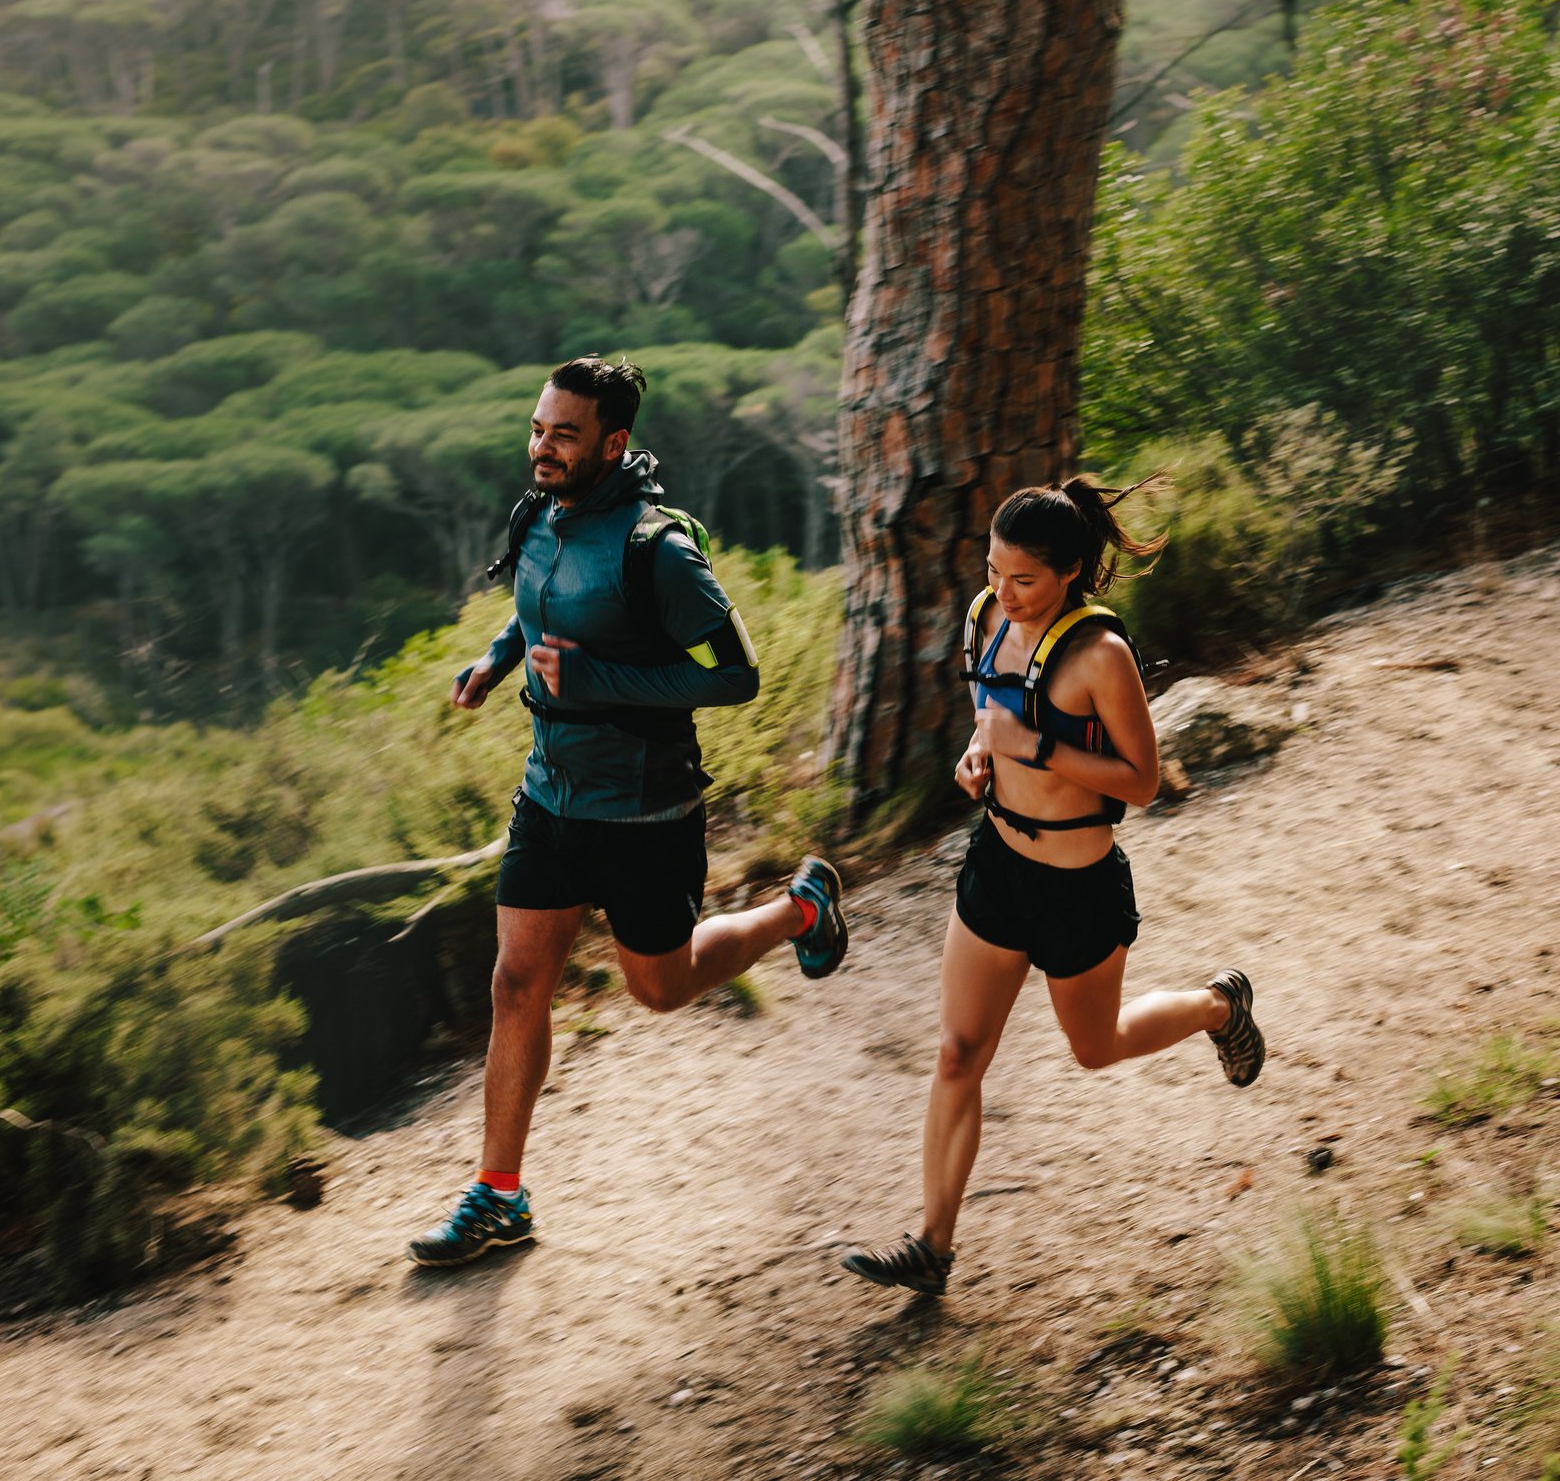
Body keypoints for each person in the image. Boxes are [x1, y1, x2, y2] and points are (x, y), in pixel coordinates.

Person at [409, 354, 848, 1268]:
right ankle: (498, 1193)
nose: (542, 447)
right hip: (550, 797)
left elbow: (734, 674)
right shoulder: (543, 516)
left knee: (659, 986)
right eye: (538, 428)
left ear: (614, 442)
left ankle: (799, 908)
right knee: (515, 983)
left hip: (648, 812)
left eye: (564, 434)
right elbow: (539, 611)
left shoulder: (659, 549)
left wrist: (598, 676)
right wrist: (497, 661)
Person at [839, 478, 1263, 1298]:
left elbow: (1141, 779)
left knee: (1093, 1047)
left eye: (1022, 579)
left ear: (1069, 572)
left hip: (1077, 886)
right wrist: (981, 755)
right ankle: (932, 1244)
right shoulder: (987, 618)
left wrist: (1030, 747)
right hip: (996, 865)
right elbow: (994, 716)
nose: (1003, 592)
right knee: (959, 1053)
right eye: (993, 570)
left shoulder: (1100, 655)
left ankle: (1220, 1005)